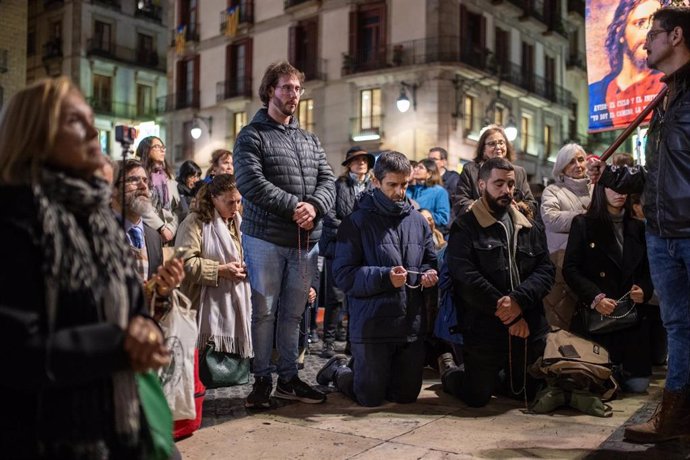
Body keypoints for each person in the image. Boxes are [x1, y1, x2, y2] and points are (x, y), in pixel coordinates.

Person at [0, 77, 174, 458]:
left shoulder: (97, 219)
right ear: (36, 135)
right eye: (74, 121)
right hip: (46, 437)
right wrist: (119, 342)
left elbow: (133, 310)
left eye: (91, 119)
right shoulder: (16, 217)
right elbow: (14, 351)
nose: (93, 130)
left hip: (119, 428)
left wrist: (146, 332)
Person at [587, 6, 690, 443]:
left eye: (654, 33)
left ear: (678, 36)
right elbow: (652, 174)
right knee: (678, 327)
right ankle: (675, 420)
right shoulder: (662, 98)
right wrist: (609, 175)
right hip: (661, 233)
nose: (645, 42)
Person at [234, 61, 335, 408]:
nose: (293, 94)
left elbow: (328, 181)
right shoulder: (251, 135)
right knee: (263, 311)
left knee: (294, 313)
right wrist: (296, 206)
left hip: (305, 242)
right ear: (269, 91)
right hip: (265, 239)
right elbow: (250, 183)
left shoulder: (310, 140)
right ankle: (262, 378)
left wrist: (316, 207)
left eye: (297, 88)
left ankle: (288, 378)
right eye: (286, 87)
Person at [315, 151, 438, 407]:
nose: (399, 192)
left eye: (404, 185)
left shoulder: (418, 221)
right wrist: (384, 278)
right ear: (376, 182)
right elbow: (344, 275)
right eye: (392, 185)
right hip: (371, 325)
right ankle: (339, 369)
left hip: (408, 326)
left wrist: (428, 273)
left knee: (405, 396)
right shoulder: (356, 222)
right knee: (369, 396)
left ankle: (376, 371)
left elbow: (430, 260)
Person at [442, 157, 554, 408]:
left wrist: (518, 302)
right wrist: (509, 314)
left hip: (528, 324)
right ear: (482, 184)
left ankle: (500, 375)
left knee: (524, 393)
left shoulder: (529, 226)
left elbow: (546, 270)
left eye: (511, 184)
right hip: (484, 327)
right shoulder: (465, 226)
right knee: (477, 396)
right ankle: (451, 371)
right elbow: (465, 277)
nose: (506, 191)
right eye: (499, 184)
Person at [563, 182, 653, 393]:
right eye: (613, 188)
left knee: (638, 386)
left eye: (623, 189)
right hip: (598, 318)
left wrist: (645, 290)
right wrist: (595, 297)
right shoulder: (583, 223)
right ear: (601, 191)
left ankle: (622, 371)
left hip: (631, 318)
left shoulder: (638, 227)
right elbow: (570, 269)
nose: (619, 193)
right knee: (597, 383)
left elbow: (650, 269)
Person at [176, 174, 252, 362]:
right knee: (205, 366)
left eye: (239, 201)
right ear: (213, 199)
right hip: (201, 305)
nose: (236, 207)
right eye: (229, 202)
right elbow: (185, 263)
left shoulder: (239, 221)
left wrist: (249, 266)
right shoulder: (195, 222)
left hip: (236, 300)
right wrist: (220, 270)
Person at [319, 146, 375, 358]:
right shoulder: (338, 185)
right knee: (335, 296)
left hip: (365, 249)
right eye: (356, 160)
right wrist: (352, 230)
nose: (361, 163)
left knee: (358, 296)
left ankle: (353, 340)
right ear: (349, 164)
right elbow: (329, 216)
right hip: (339, 246)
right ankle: (329, 342)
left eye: (364, 159)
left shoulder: (373, 186)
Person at [588, 0, 664, 130]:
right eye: (640, 23)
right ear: (620, 31)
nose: (649, 33)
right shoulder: (596, 93)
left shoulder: (670, 85)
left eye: (656, 26)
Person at [540, 143, 592, 329]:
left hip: (592, 263)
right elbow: (551, 219)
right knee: (561, 319)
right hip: (560, 262)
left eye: (580, 159)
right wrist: (584, 218)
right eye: (571, 162)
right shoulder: (553, 191)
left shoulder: (595, 189)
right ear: (562, 167)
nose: (578, 165)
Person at [454, 124, 536, 218]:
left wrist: (518, 207)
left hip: (510, 227)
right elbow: (461, 200)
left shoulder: (518, 172)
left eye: (501, 143)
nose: (498, 147)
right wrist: (480, 207)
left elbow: (531, 204)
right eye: (492, 144)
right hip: (478, 226)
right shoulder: (470, 170)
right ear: (483, 149)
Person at [136, 136, 183, 245]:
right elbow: (141, 205)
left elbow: (176, 208)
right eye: (157, 146)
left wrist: (171, 229)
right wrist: (161, 228)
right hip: (148, 233)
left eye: (163, 147)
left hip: (170, 235)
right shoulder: (140, 175)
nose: (162, 150)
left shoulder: (169, 177)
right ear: (146, 150)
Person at [406, 159, 451, 229]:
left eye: (420, 167)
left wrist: (425, 215)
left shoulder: (439, 191)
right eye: (416, 167)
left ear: (429, 174)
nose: (415, 169)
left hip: (427, 232)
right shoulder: (408, 189)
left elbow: (443, 218)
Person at [428, 146, 461, 216]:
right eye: (428, 159)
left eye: (434, 159)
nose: (430, 162)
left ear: (443, 162)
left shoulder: (453, 178)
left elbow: (456, 203)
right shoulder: (425, 179)